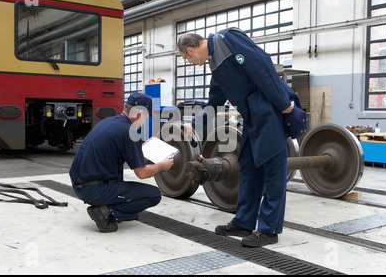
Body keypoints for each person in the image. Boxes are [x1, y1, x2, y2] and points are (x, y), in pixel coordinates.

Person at [177, 28, 302, 247]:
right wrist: (194, 125)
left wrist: (283, 104)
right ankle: (244, 221)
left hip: (269, 110)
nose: (189, 63)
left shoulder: (227, 39)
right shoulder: (215, 65)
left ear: (190, 50)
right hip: (253, 117)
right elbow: (214, 102)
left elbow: (262, 66)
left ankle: (269, 230)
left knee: (273, 170)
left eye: (186, 59)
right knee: (248, 165)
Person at [69, 93, 174, 233]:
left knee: (117, 165)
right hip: (93, 191)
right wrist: (161, 165)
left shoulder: (108, 121)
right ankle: (107, 212)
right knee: (153, 195)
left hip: (78, 185)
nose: (145, 121)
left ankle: (120, 208)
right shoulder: (130, 132)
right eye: (146, 117)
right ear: (140, 113)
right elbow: (141, 173)